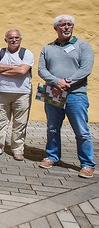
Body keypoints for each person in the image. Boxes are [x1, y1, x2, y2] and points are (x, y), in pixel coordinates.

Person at [38, 15, 95, 178]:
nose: (66, 27)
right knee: (52, 128)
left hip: (76, 95)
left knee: (81, 131)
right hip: (53, 93)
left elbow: (85, 69)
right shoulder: (47, 48)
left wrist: (67, 82)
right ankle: (52, 156)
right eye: (62, 25)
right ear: (56, 28)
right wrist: (56, 82)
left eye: (69, 24)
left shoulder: (83, 46)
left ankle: (87, 164)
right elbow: (42, 70)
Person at [0, 30, 34, 161]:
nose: (14, 40)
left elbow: (23, 70)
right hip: (2, 92)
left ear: (21, 39)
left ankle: (17, 150)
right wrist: (15, 68)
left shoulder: (27, 53)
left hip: (22, 94)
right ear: (6, 40)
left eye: (16, 38)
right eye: (10, 38)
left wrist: (3, 69)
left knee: (20, 123)